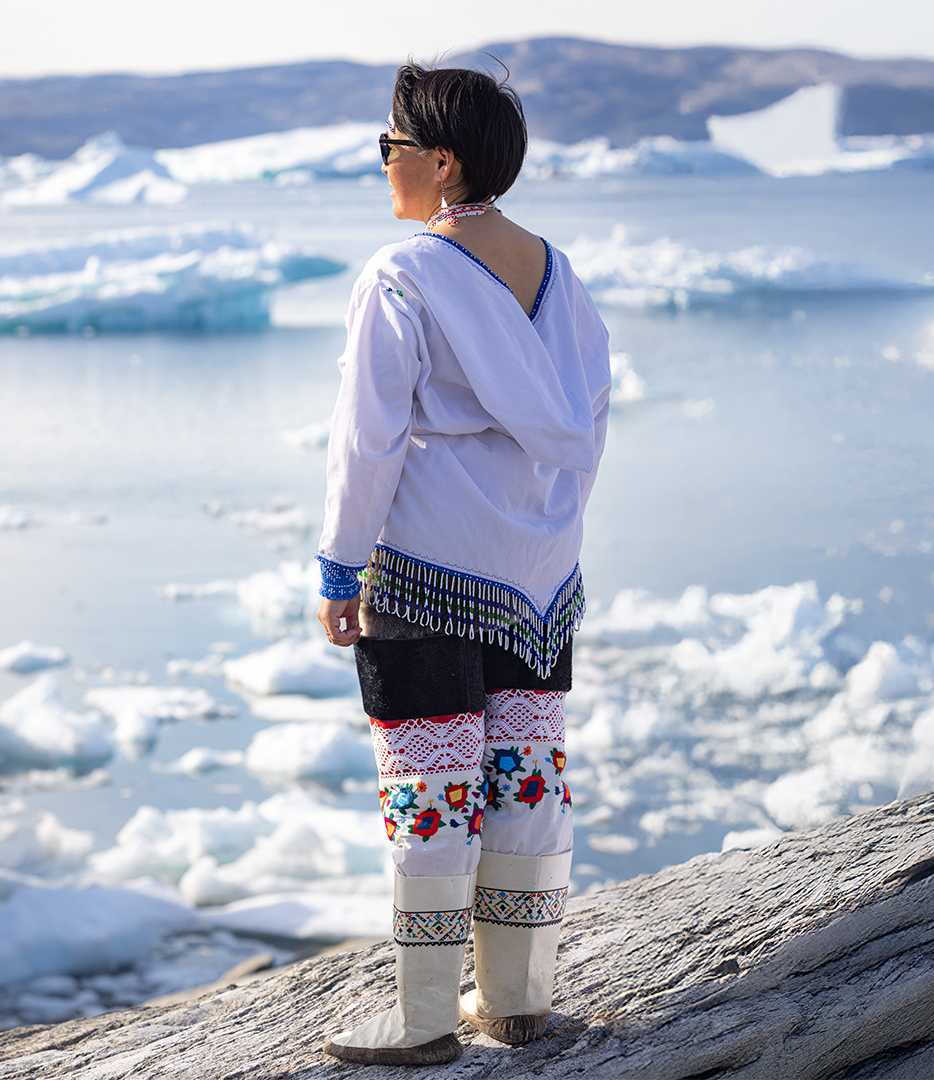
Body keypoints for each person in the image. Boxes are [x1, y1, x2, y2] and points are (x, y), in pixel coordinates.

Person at [314, 62, 612, 1066]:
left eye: (390, 148)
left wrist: (338, 565)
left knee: (430, 787)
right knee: (524, 778)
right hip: (540, 576)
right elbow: (590, 423)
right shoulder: (557, 273)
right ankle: (517, 1000)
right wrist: (546, 539)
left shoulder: (401, 275)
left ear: (440, 163)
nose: (382, 165)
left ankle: (424, 1020)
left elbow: (367, 439)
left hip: (430, 571)